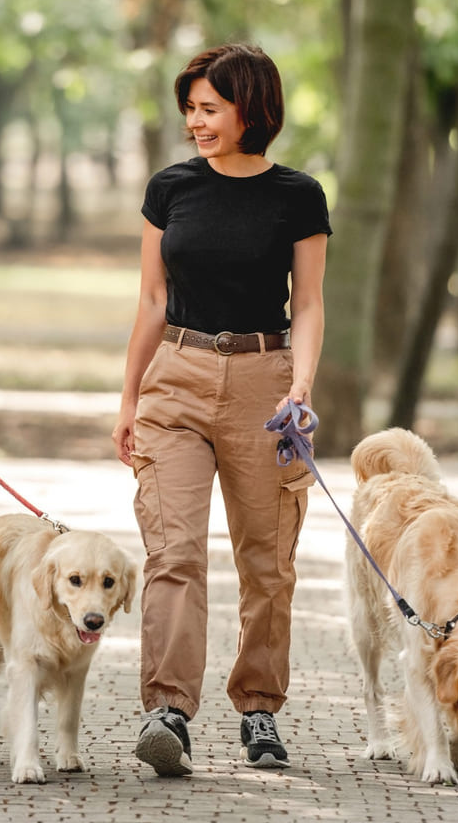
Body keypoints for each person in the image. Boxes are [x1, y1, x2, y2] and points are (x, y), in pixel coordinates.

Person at [112, 44, 331, 777]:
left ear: (251, 110)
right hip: (175, 377)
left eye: (209, 109)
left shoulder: (298, 195)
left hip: (264, 382)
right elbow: (149, 299)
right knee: (173, 552)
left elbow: (311, 305)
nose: (195, 122)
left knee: (267, 562)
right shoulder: (170, 188)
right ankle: (167, 709)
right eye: (191, 110)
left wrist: (300, 387)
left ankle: (260, 709)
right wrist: (128, 396)